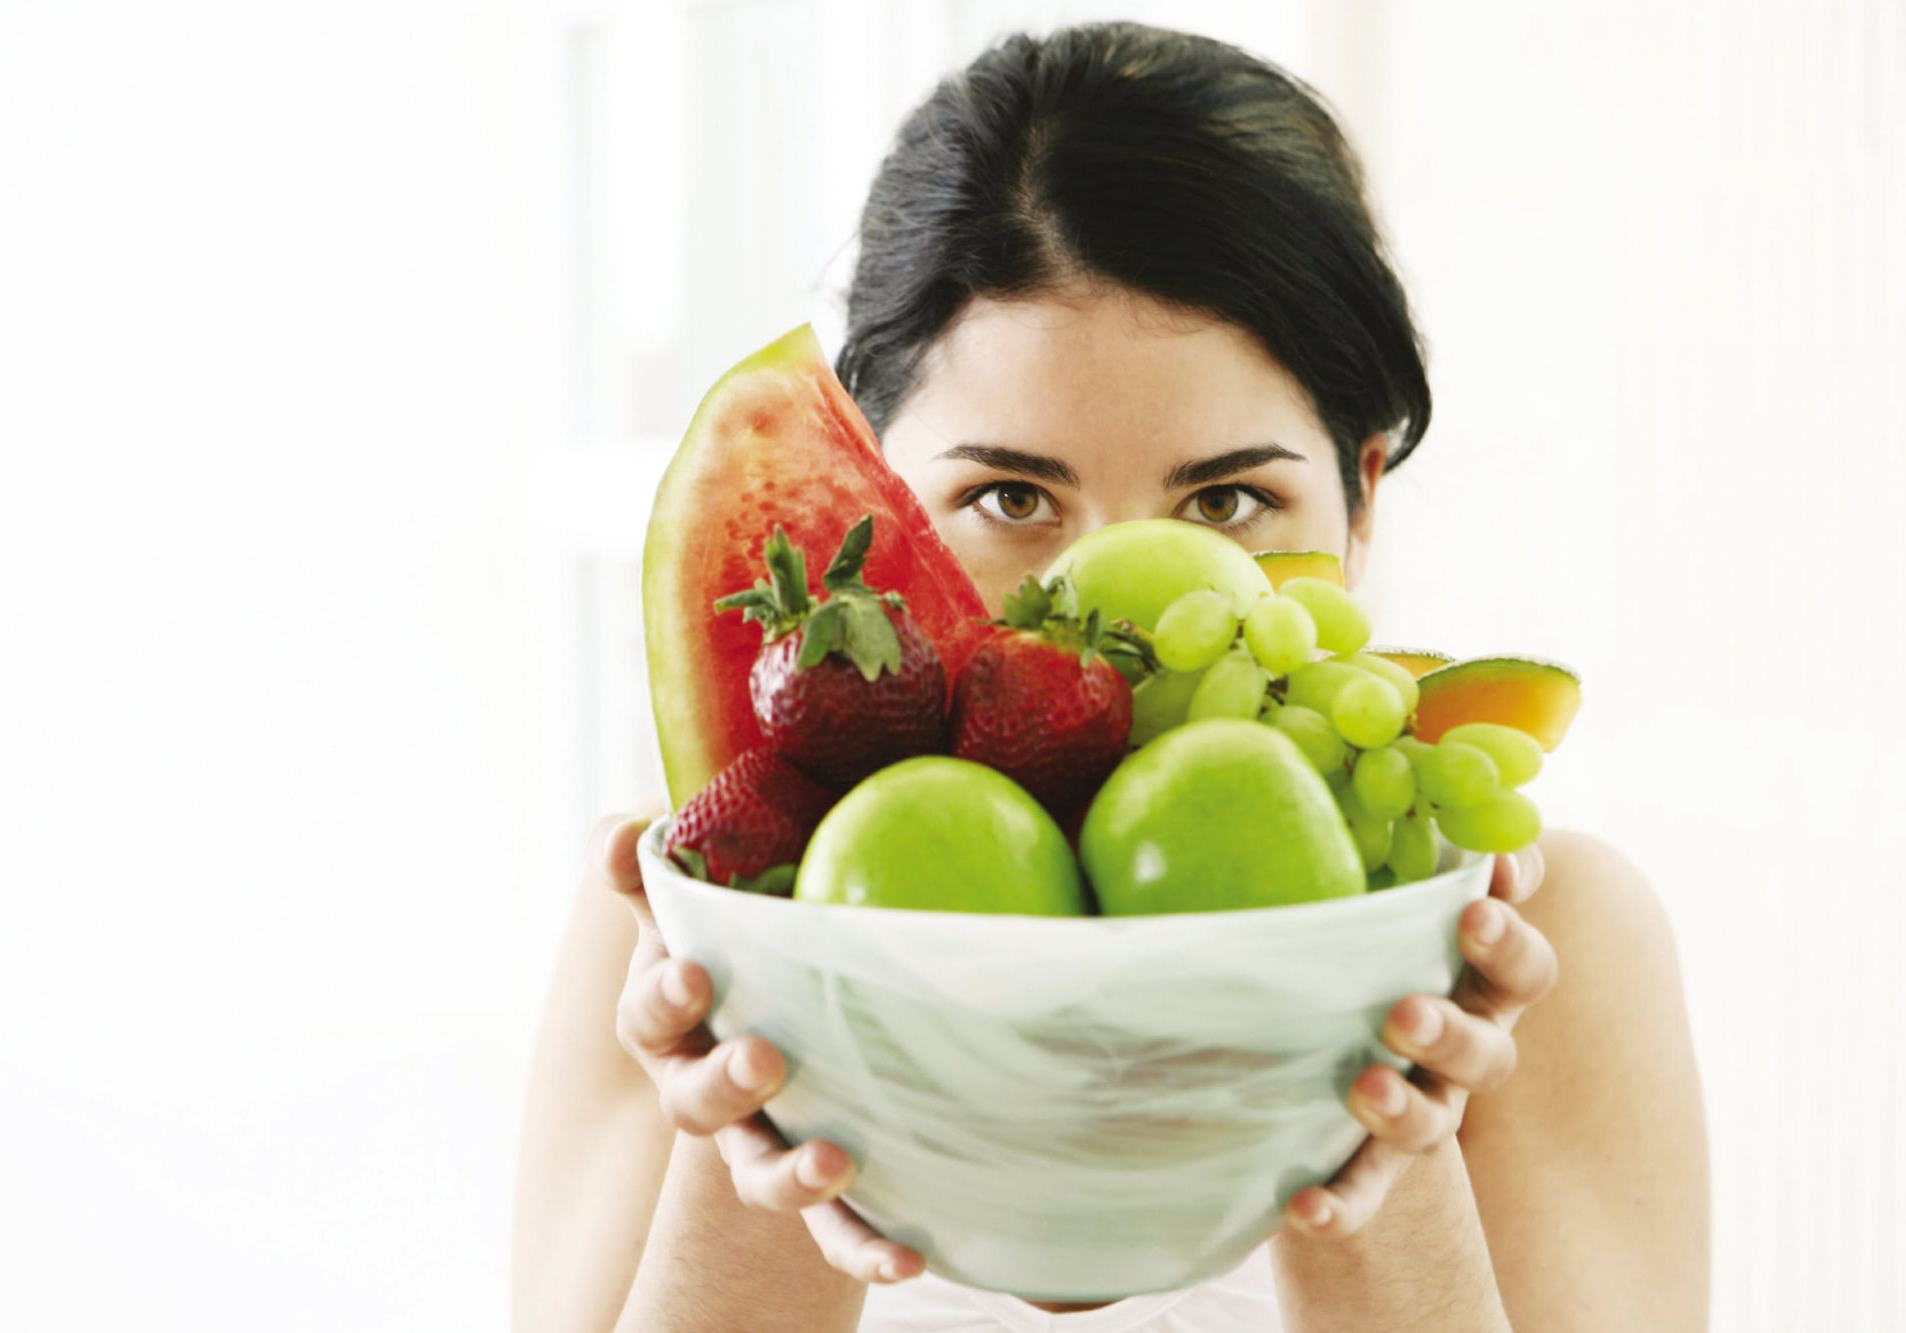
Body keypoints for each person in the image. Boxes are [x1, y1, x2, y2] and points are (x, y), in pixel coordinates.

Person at [515, 21, 1708, 1332]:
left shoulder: (1546, 943)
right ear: (870, 499)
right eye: (1012, 492)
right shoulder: (680, 924)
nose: (1109, 607)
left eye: (1232, 498)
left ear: (1362, 497)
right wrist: (780, 1036)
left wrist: (1378, 1131)